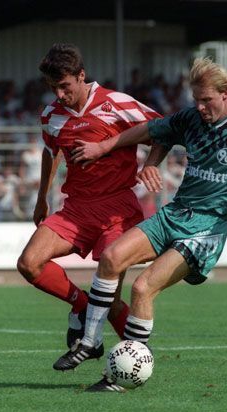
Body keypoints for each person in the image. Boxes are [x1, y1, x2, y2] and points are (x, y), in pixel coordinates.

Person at [53, 57, 227, 391]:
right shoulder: (190, 118)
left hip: (206, 228)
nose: (200, 107)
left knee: (143, 287)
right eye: (196, 100)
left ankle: (121, 378)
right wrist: (120, 152)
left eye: (207, 100)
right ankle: (89, 341)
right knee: (112, 258)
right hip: (176, 213)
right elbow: (154, 130)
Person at [16, 43, 161, 351]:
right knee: (29, 264)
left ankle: (137, 360)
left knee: (109, 301)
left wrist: (150, 164)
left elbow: (163, 130)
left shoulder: (117, 103)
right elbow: (51, 152)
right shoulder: (51, 116)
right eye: (53, 87)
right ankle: (81, 304)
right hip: (76, 210)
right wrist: (42, 197)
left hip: (117, 210)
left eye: (64, 86)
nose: (59, 94)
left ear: (81, 76)